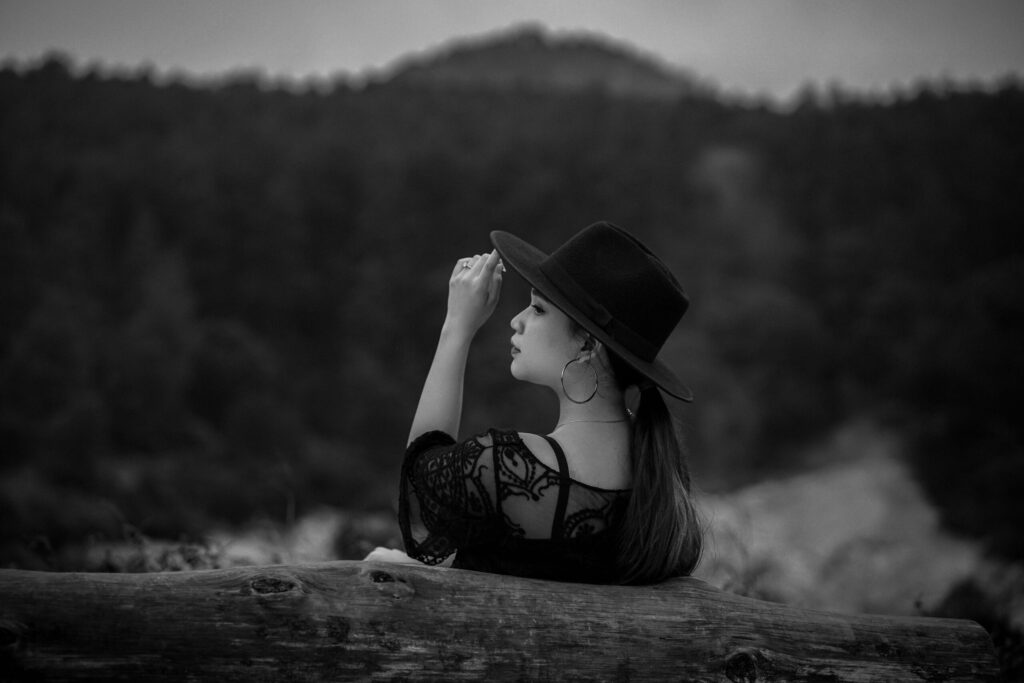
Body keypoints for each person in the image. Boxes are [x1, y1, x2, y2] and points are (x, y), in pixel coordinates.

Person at [393, 221, 702, 584]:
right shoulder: (660, 479)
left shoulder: (508, 470)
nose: (516, 321)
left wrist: (456, 329)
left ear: (588, 345)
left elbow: (418, 493)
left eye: (537, 310)